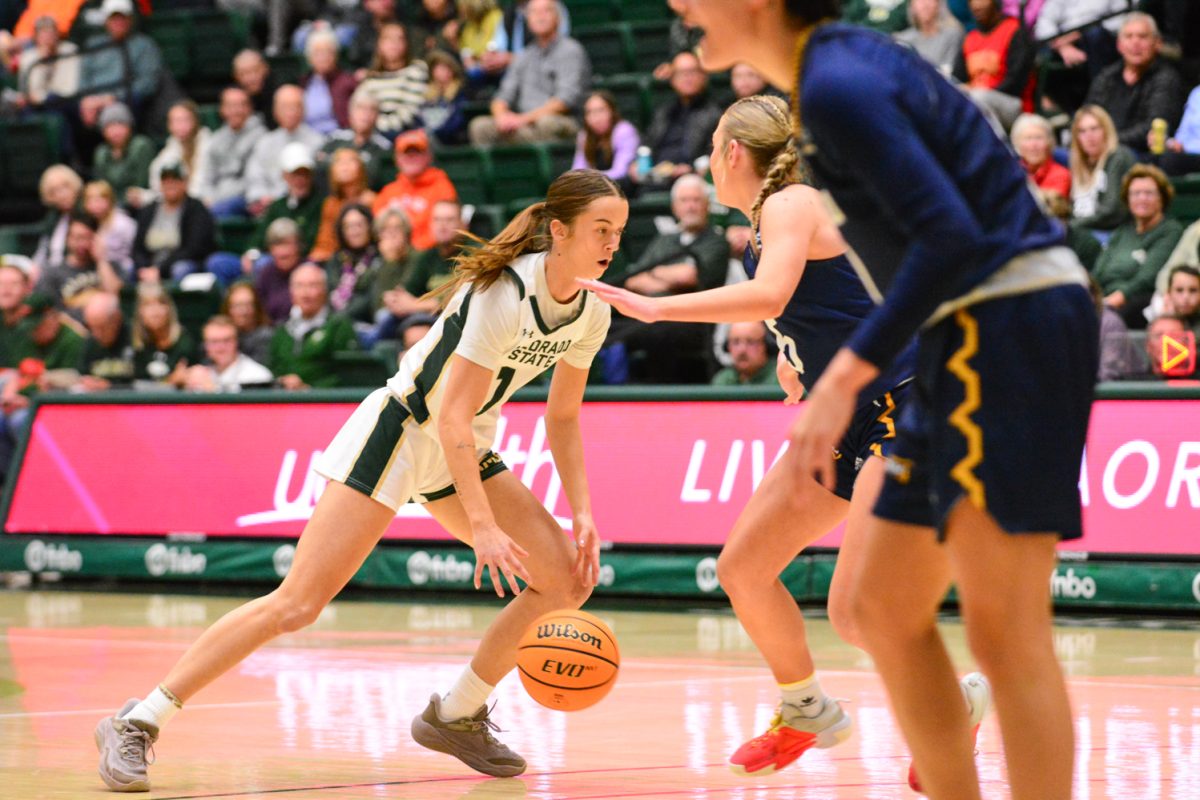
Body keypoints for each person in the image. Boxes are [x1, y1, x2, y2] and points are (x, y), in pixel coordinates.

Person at [672, 3, 1097, 799]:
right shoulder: (834, 81)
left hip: (1011, 317)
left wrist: (844, 374)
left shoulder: (836, 86)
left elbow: (953, 240)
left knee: (1005, 635)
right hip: (956, 335)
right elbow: (899, 260)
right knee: (880, 609)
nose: (682, 10)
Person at [94, 169, 625, 791]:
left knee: (565, 579)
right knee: (297, 604)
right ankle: (138, 719)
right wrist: (481, 523)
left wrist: (583, 512)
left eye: (619, 230)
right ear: (558, 231)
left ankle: (455, 713)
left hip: (463, 446)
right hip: (401, 432)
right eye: (601, 229)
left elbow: (562, 417)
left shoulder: (591, 309)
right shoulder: (503, 292)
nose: (613, 243)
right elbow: (449, 414)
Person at [586, 94, 929, 776]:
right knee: (743, 568)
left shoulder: (790, 202)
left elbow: (773, 295)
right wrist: (791, 349)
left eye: (712, 145)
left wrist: (656, 308)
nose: (709, 159)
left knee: (859, 609)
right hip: (843, 413)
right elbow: (819, 298)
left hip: (908, 405)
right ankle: (804, 707)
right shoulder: (767, 222)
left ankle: (957, 707)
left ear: (733, 152)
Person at [604, 174, 728, 383]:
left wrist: (655, 272)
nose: (690, 206)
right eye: (684, 201)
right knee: (604, 324)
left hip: (693, 320)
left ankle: (656, 394)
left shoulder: (716, 241)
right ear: (674, 207)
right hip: (651, 313)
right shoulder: (665, 240)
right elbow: (634, 280)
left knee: (657, 331)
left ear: (707, 205)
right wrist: (671, 277)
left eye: (696, 200)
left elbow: (690, 276)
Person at [468, 0, 589, 145]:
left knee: (547, 123)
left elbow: (564, 101)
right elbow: (502, 96)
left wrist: (522, 119)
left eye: (546, 11)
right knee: (480, 126)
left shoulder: (571, 50)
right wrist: (501, 117)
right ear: (527, 19)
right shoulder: (524, 55)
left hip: (561, 120)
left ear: (558, 17)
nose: (540, 16)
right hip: (525, 124)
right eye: (534, 12)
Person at [1091, 164, 1183, 328]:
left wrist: (1117, 298)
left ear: (1162, 198)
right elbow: (1099, 270)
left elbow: (1147, 278)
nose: (1142, 198)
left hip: (1137, 302)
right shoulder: (1123, 231)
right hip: (1106, 299)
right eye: (1135, 193)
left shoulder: (1170, 230)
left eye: (1149, 193)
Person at [1084, 12, 1186, 156]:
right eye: (1129, 36)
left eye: (1142, 36)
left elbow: (1153, 127)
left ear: (1158, 43)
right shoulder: (1107, 76)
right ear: (1119, 45)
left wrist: (1108, 142)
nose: (1135, 42)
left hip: (1140, 155)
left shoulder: (1167, 78)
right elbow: (1088, 114)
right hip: (1102, 149)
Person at [634, 51, 723, 186]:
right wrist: (636, 163)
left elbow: (713, 152)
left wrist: (691, 168)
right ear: (672, 79)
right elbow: (647, 143)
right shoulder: (663, 112)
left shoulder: (715, 114)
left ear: (703, 76)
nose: (687, 77)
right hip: (657, 177)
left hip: (692, 179)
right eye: (681, 73)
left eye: (692, 72)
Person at [951, 0, 1034, 131]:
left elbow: (1016, 82)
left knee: (978, 98)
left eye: (982, 1)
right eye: (973, 3)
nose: (977, 6)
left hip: (1012, 103)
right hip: (976, 100)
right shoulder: (970, 38)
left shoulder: (1014, 30)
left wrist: (980, 92)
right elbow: (958, 78)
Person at [244, 85, 327, 215]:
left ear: (304, 110)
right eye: (284, 107)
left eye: (295, 106)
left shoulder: (318, 142)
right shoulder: (265, 143)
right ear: (275, 111)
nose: (290, 112)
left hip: (304, 206)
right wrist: (262, 196)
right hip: (268, 207)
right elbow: (254, 179)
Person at [372, 129, 458, 250]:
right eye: (406, 153)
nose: (411, 157)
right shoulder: (388, 192)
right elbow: (378, 231)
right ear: (397, 159)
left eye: (417, 152)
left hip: (426, 256)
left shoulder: (442, 187)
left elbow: (443, 230)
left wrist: (413, 251)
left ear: (428, 156)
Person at [131, 163, 218, 284]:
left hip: (183, 262)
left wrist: (160, 270)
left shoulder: (196, 209)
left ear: (184, 183)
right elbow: (137, 248)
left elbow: (194, 249)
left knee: (180, 269)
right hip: (151, 263)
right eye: (166, 181)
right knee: (130, 269)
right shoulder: (149, 210)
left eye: (175, 180)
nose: (170, 185)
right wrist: (144, 268)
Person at [198, 87, 267, 220]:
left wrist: (219, 199)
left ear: (249, 108)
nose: (236, 111)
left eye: (241, 105)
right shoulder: (216, 139)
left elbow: (253, 179)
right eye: (230, 106)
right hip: (217, 200)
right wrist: (208, 198)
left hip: (245, 199)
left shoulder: (261, 137)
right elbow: (207, 178)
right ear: (222, 110)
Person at [130, 101, 213, 209]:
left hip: (205, 202)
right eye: (175, 121)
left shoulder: (208, 145)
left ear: (195, 121)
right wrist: (145, 196)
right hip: (178, 204)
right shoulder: (171, 147)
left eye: (184, 120)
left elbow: (200, 187)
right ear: (169, 125)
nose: (180, 126)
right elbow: (158, 183)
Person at [1070, 104, 1137, 233]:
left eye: (1094, 129)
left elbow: (1112, 211)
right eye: (1082, 131)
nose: (1089, 136)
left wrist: (1072, 226)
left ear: (1106, 130)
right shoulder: (1078, 164)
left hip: (1112, 233)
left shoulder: (1118, 157)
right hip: (1084, 230)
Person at [357, 22, 430, 140]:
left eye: (399, 39)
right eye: (388, 39)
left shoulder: (416, 70)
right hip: (374, 137)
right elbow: (359, 111)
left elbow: (411, 112)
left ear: (406, 44)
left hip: (405, 134)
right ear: (379, 44)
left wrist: (378, 128)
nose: (394, 44)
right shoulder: (370, 79)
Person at [317, 89, 396, 191]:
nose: (366, 114)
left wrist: (340, 164)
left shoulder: (384, 147)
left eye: (372, 109)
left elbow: (386, 180)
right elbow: (319, 162)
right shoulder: (336, 138)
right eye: (361, 108)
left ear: (377, 116)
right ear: (350, 112)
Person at [311, 149, 378, 262]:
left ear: (361, 168)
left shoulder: (372, 200)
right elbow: (325, 243)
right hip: (338, 261)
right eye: (339, 161)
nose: (344, 166)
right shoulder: (330, 204)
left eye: (350, 161)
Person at [184, 315, 274, 392]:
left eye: (227, 340)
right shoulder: (200, 374)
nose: (221, 347)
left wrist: (213, 391)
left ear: (237, 342)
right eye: (214, 342)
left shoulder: (258, 376)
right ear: (206, 346)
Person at [131, 284, 196, 387]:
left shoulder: (185, 343)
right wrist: (170, 381)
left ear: (170, 309)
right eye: (148, 305)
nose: (155, 311)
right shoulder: (135, 345)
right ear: (140, 312)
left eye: (161, 303)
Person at [92, 102, 156, 204]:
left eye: (120, 124)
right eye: (110, 126)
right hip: (110, 206)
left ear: (129, 127)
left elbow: (141, 184)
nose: (116, 131)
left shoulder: (140, 146)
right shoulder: (101, 152)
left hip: (138, 203)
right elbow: (102, 187)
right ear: (103, 131)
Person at [572, 90, 640, 184]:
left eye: (601, 110)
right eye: (590, 112)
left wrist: (589, 179)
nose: (596, 118)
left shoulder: (624, 131)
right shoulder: (584, 136)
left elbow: (621, 172)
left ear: (612, 112)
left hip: (621, 187)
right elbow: (577, 170)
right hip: (594, 186)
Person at [301, 29, 359, 136]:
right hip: (308, 137)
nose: (323, 57)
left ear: (335, 55)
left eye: (328, 52)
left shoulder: (347, 82)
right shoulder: (304, 81)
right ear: (309, 57)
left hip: (338, 136)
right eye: (318, 53)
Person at [32, 165, 83, 275]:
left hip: (74, 273)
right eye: (54, 191)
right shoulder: (53, 218)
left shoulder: (85, 215)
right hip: (51, 272)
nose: (61, 195)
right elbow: (42, 251)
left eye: (65, 188)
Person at [82, 181, 137, 278]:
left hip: (125, 270)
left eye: (98, 200)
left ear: (110, 200)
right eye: (90, 201)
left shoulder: (124, 223)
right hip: (101, 270)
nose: (94, 206)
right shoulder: (92, 223)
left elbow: (136, 250)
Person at [894, 0, 963, 76]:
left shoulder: (952, 35)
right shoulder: (903, 40)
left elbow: (948, 69)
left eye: (930, 0)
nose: (925, 5)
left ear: (938, 5)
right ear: (911, 7)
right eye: (919, 1)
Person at [1011, 114, 1070, 200]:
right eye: (1028, 138)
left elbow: (1052, 207)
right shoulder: (1011, 172)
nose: (1034, 145)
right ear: (1017, 144)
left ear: (1049, 143)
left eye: (1039, 138)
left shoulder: (1061, 175)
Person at [419, 49, 469, 146]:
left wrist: (437, 134)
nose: (441, 71)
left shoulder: (460, 93)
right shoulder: (425, 94)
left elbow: (458, 120)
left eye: (445, 67)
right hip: (425, 139)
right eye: (437, 67)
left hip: (450, 142)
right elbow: (417, 118)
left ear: (453, 70)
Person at [712, 320, 780, 386]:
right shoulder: (723, 380)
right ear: (728, 347)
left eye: (750, 342)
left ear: (765, 345)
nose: (742, 350)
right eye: (736, 342)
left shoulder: (781, 376)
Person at [220, 282, 275, 364]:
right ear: (228, 309)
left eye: (248, 305)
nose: (243, 312)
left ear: (256, 308)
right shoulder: (219, 336)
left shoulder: (266, 337)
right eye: (238, 305)